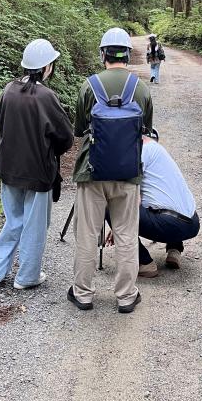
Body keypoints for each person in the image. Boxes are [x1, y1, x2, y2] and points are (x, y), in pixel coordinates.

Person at [68, 27, 153, 314]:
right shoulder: (140, 88)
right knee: (127, 234)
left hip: (91, 173)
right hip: (128, 173)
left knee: (87, 233)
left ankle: (83, 293)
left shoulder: (89, 86)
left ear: (103, 53)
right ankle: (126, 295)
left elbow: (79, 129)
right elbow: (147, 131)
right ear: (127, 54)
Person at [0, 39, 73, 291]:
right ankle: (26, 277)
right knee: (35, 225)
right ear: (47, 68)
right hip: (39, 172)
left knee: (12, 220)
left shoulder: (8, 90)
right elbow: (65, 136)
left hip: (8, 168)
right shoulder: (46, 96)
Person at [136, 133, 200, 277]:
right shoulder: (155, 148)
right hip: (193, 223)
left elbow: (132, 201)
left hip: (171, 224)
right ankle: (175, 249)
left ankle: (144, 262)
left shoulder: (138, 153)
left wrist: (120, 228)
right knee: (167, 199)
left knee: (112, 206)